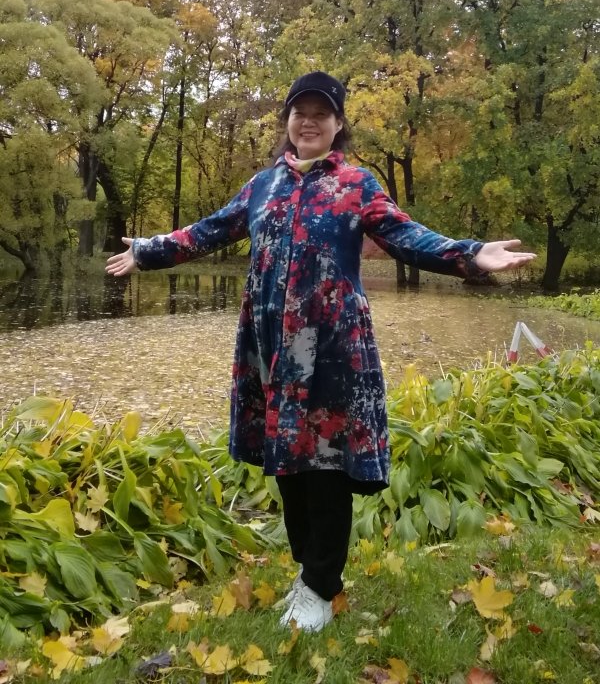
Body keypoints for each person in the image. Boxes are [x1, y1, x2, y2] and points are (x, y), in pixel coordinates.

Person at [106, 71, 535, 632]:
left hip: (333, 350)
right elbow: (207, 232)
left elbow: (406, 236)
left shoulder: (356, 185)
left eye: (321, 114)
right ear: (288, 121)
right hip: (271, 352)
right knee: (287, 464)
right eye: (299, 112)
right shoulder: (262, 187)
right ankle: (309, 571)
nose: (308, 122)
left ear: (337, 125)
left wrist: (471, 254)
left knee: (326, 466)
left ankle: (321, 586)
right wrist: (147, 250)